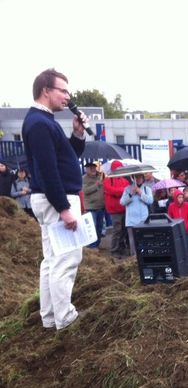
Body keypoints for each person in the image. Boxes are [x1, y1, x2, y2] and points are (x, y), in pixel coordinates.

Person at [22, 68, 88, 330]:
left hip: (52, 197)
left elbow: (66, 158)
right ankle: (65, 316)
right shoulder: (39, 123)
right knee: (66, 258)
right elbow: (47, 170)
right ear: (45, 91)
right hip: (56, 199)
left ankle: (50, 316)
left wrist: (78, 133)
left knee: (52, 259)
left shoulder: (43, 122)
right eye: (62, 90)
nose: (67, 96)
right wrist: (63, 208)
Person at [120, 173, 154, 257]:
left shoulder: (147, 189)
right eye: (136, 177)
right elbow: (122, 202)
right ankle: (134, 259)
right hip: (131, 221)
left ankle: (145, 257)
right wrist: (131, 194)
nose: (138, 179)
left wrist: (141, 193)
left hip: (143, 220)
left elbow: (150, 201)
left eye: (140, 177)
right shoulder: (127, 189)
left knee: (144, 240)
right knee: (133, 242)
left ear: (143, 178)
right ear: (133, 178)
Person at [104, 160, 130, 258]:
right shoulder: (108, 180)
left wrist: (122, 192)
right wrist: (123, 191)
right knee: (117, 230)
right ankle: (114, 249)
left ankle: (121, 247)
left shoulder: (125, 180)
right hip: (114, 210)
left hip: (124, 208)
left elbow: (125, 192)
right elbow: (113, 191)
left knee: (123, 230)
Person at [168, 189, 188, 271]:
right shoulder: (171, 206)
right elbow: (170, 218)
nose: (181, 199)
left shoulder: (186, 205)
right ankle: (181, 264)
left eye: (182, 197)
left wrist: (187, 226)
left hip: (186, 230)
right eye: (179, 197)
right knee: (179, 248)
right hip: (176, 231)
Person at [82, 162, 105, 248]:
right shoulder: (84, 179)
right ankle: (92, 247)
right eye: (90, 168)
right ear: (86, 169)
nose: (93, 169)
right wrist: (96, 185)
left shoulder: (101, 176)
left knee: (99, 228)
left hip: (101, 207)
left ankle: (97, 245)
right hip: (90, 208)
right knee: (92, 228)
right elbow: (85, 191)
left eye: (94, 167)